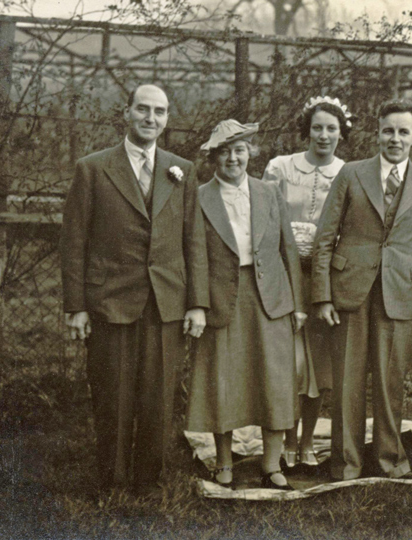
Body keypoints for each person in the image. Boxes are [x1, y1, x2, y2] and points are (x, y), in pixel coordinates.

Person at [60, 84, 209, 492]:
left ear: (166, 119)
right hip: (110, 299)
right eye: (142, 109)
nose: (150, 118)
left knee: (159, 396)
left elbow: (192, 239)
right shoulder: (93, 168)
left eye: (159, 112)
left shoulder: (181, 169)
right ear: (126, 113)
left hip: (166, 301)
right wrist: (76, 306)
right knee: (113, 394)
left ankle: (149, 480)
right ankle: (113, 479)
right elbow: (74, 240)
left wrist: (197, 303)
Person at [311, 99, 412, 481]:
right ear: (377, 132)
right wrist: (322, 295)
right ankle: (345, 464)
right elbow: (324, 238)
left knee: (389, 383)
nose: (395, 139)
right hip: (349, 289)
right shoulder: (352, 174)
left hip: (398, 293)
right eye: (388, 130)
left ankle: (389, 461)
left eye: (403, 132)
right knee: (348, 382)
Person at [185, 120, 305, 490]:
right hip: (222, 297)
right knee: (223, 379)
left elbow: (288, 248)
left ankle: (272, 464)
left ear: (251, 153)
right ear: (213, 158)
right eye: (224, 151)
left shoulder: (269, 192)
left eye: (240, 150)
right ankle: (224, 462)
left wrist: (298, 304)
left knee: (275, 379)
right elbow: (194, 255)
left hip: (269, 296)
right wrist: (198, 304)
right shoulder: (199, 196)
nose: (233, 158)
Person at [262, 96, 351, 468]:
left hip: (324, 278)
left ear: (341, 134)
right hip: (285, 274)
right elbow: (265, 218)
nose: (324, 135)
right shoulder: (281, 168)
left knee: (318, 365)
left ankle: (309, 441)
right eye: (317, 127)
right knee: (289, 362)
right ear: (306, 129)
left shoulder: (349, 172)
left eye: (332, 128)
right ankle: (283, 439)